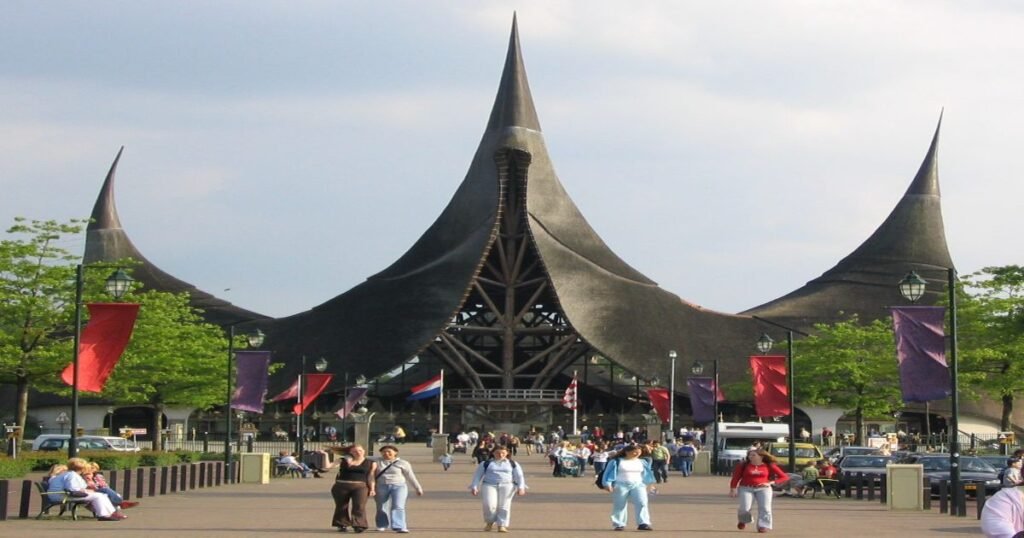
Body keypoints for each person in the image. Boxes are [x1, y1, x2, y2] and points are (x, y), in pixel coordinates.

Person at [729, 448, 789, 533]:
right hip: (746, 488)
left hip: (764, 488)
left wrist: (771, 483)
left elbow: (784, 477)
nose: (751, 457)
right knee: (744, 508)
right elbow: (736, 477)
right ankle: (743, 520)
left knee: (765, 508)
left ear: (761, 456)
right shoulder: (743, 465)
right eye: (750, 455)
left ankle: (763, 525)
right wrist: (733, 488)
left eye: (753, 455)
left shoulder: (769, 465)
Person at [469, 445, 527, 532]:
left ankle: (502, 525)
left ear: (507, 453)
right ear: (493, 453)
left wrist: (521, 487)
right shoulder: (486, 463)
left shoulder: (513, 463)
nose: (500, 455)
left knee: (504, 506)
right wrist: (474, 486)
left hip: (507, 485)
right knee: (489, 505)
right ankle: (490, 522)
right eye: (498, 453)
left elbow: (519, 476)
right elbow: (477, 476)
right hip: (489, 485)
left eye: (503, 453)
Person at [600, 442, 655, 531]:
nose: (637, 453)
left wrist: (649, 484)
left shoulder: (643, 461)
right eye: (634, 452)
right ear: (627, 452)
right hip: (621, 485)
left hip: (638, 484)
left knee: (642, 503)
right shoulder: (616, 461)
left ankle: (643, 523)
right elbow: (607, 473)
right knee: (620, 505)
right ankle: (619, 524)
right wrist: (607, 484)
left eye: (639, 452)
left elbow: (647, 473)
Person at [49, 457, 125, 521]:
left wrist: (88, 491)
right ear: (82, 468)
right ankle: (104, 515)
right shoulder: (72, 475)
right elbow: (73, 489)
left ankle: (110, 513)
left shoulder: (70, 474)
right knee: (99, 496)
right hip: (62, 496)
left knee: (101, 495)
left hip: (60, 495)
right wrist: (88, 491)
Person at [373, 445, 423, 533]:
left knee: (398, 506)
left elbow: (410, 476)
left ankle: (399, 526)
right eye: (384, 452)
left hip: (399, 486)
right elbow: (360, 455)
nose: (386, 453)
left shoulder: (403, 463)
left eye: (389, 451)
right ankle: (382, 525)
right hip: (381, 486)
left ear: (395, 452)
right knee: (381, 506)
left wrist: (418, 488)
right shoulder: (376, 461)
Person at [331, 444, 377, 533]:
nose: (358, 453)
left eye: (360, 450)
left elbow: (371, 476)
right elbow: (328, 466)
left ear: (364, 451)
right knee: (341, 506)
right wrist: (325, 455)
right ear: (350, 453)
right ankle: (341, 524)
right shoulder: (343, 461)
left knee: (359, 506)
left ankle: (359, 525)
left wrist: (372, 489)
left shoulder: (371, 462)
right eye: (355, 451)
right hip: (341, 486)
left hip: (360, 486)